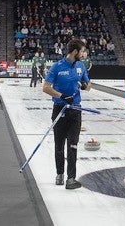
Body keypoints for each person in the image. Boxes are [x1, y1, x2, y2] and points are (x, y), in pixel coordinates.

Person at [42, 38, 90, 190]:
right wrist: (61, 96)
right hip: (60, 109)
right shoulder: (57, 67)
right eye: (82, 51)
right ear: (75, 52)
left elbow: (88, 85)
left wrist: (85, 85)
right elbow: (46, 87)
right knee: (59, 145)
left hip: (75, 109)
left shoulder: (81, 66)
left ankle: (71, 178)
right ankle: (59, 174)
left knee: (73, 144)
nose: (84, 54)